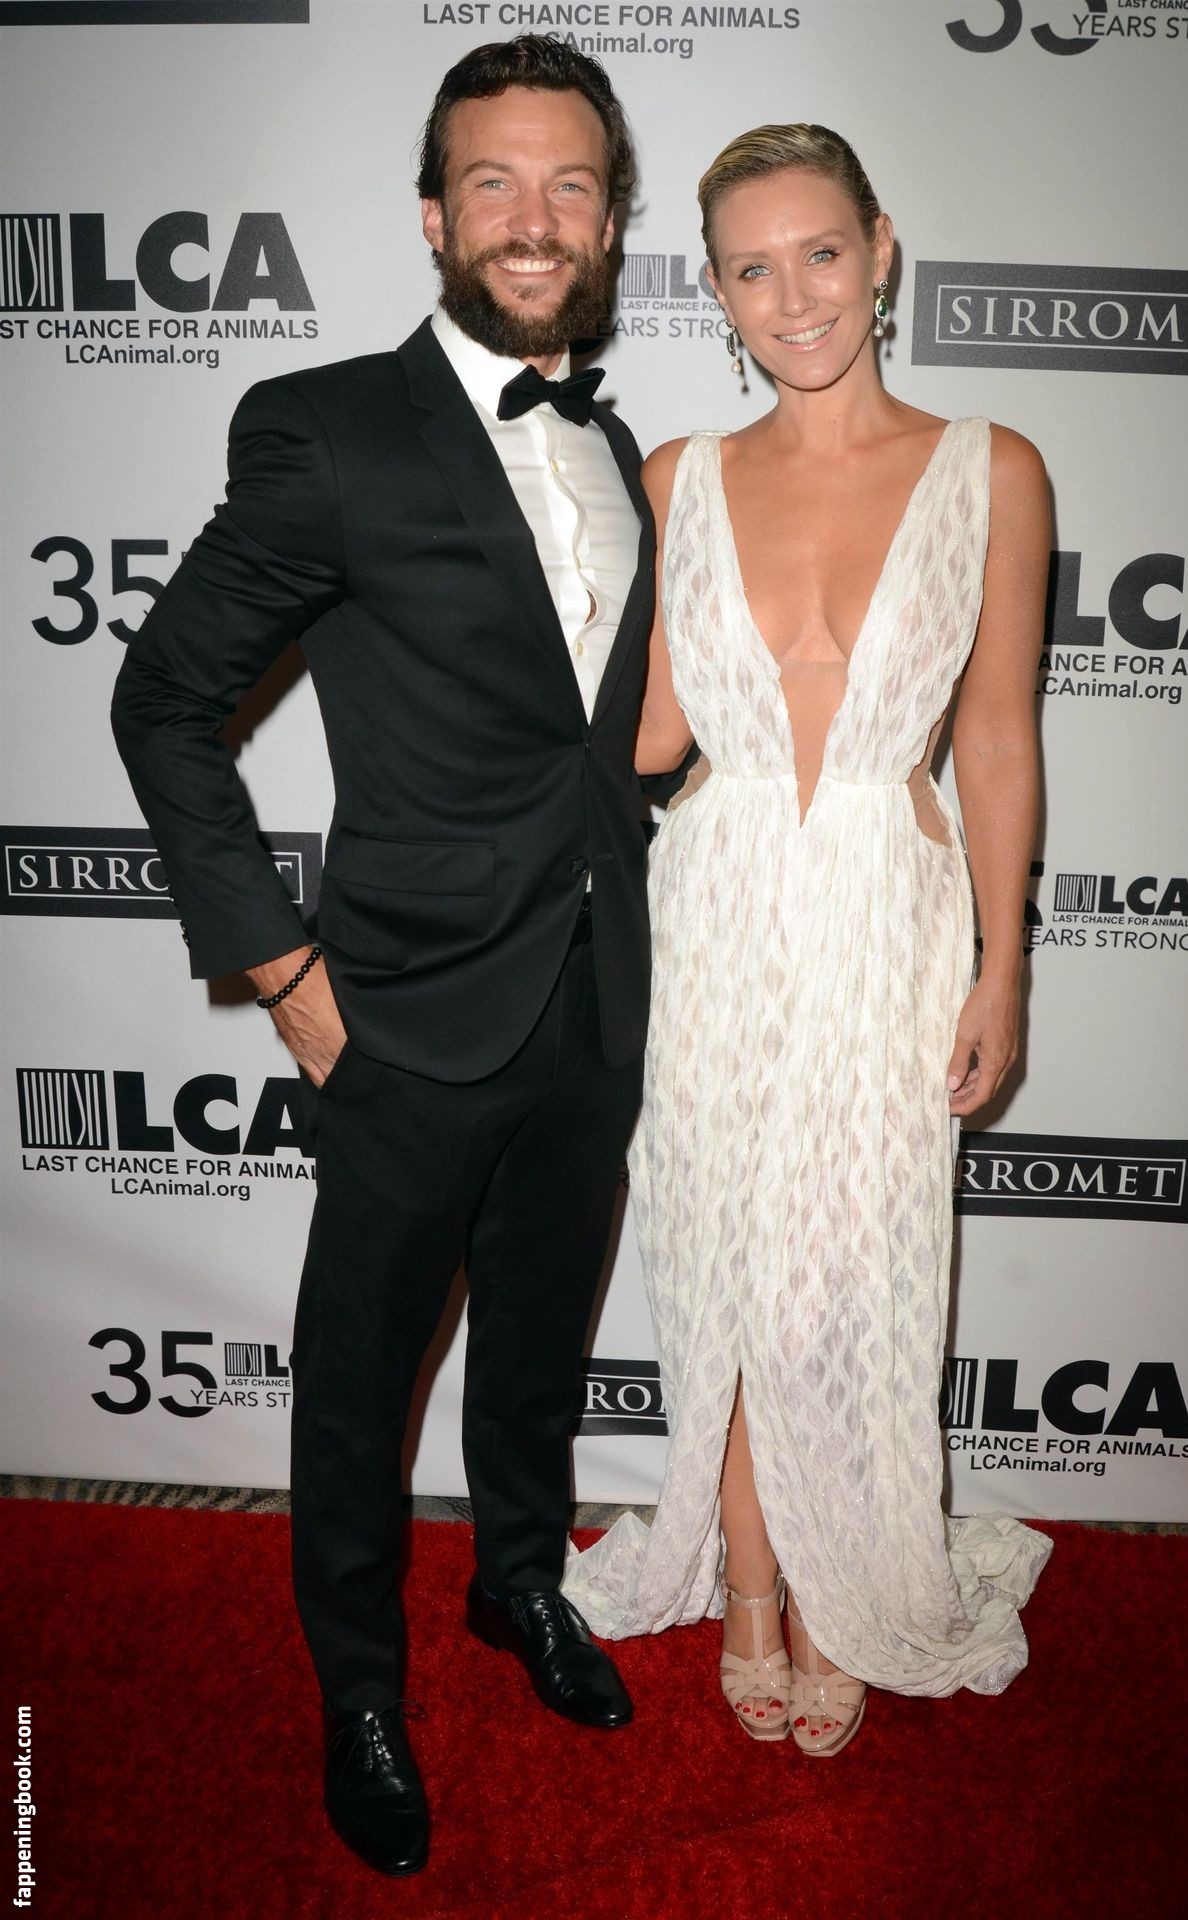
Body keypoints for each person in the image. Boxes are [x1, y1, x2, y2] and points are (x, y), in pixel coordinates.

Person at [112, 36, 663, 1877]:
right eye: (494, 183)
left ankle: (518, 1581)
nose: (533, 218)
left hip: (595, 993)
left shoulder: (622, 449)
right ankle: (360, 1687)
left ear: (611, 220)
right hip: (404, 1011)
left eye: (570, 184)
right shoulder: (330, 428)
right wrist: (282, 974)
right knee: (359, 1381)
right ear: (434, 216)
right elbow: (163, 702)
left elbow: (598, 742)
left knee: (540, 1336)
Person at [562, 124, 1053, 1752]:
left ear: (881, 249)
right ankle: (757, 1590)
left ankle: (851, 1585)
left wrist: (1000, 964)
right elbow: (646, 741)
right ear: (715, 292)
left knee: (837, 1280)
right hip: (710, 909)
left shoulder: (992, 469)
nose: (795, 298)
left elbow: (997, 738)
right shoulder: (677, 478)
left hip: (885, 910)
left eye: (822, 253)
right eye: (753, 270)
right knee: (721, 1267)